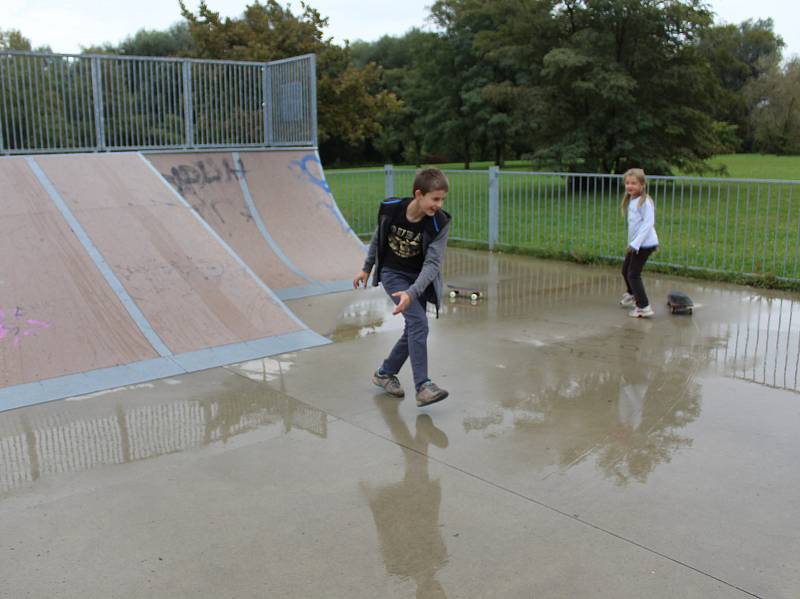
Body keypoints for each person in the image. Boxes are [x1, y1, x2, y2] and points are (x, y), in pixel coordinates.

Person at [353, 168, 451, 407]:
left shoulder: (439, 223)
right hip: (392, 273)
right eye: (435, 199)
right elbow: (379, 238)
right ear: (419, 194)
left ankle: (384, 373)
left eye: (442, 200)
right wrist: (367, 268)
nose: (438, 205)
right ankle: (423, 386)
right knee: (419, 323)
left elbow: (432, 264)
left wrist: (412, 292)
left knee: (414, 327)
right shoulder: (391, 208)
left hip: (417, 280)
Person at [619, 168, 659, 318]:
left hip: (643, 245)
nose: (630, 186)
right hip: (636, 244)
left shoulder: (645, 202)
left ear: (642, 185)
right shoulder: (632, 200)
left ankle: (643, 306)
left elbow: (648, 224)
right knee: (625, 271)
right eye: (627, 183)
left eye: (634, 183)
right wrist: (633, 243)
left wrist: (635, 244)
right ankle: (632, 294)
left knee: (633, 274)